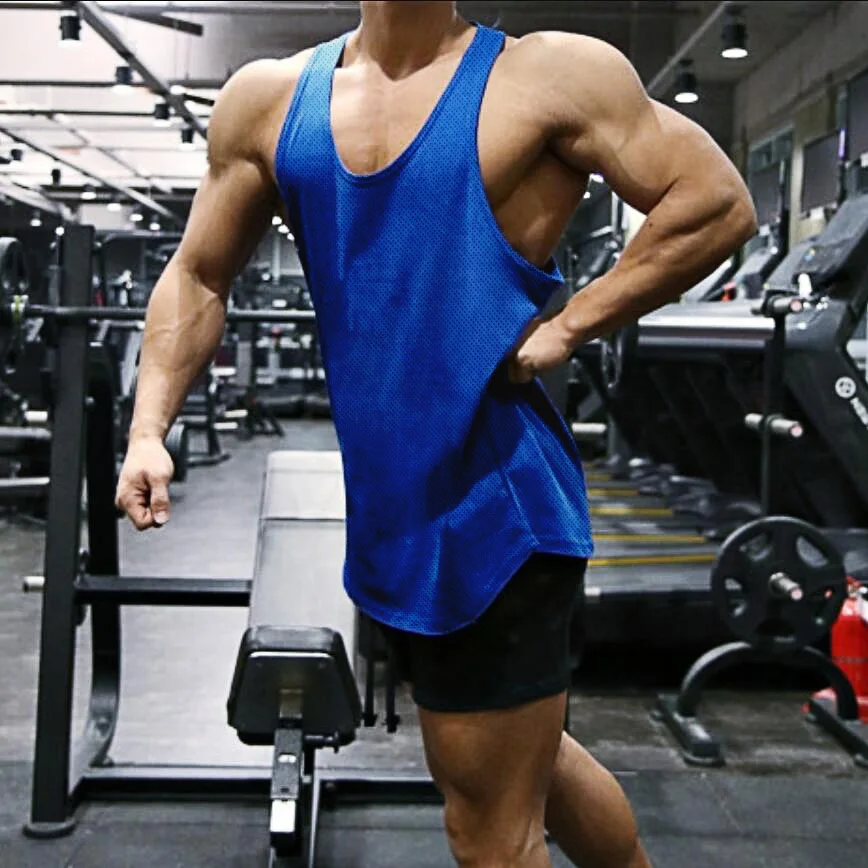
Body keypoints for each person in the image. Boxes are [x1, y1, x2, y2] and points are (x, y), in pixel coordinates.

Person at [116, 2, 757, 866]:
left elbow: (715, 201)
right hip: (394, 512)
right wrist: (148, 428)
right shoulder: (268, 101)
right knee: (531, 766)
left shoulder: (547, 76)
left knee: (488, 832)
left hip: (495, 513)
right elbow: (198, 273)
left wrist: (571, 326)